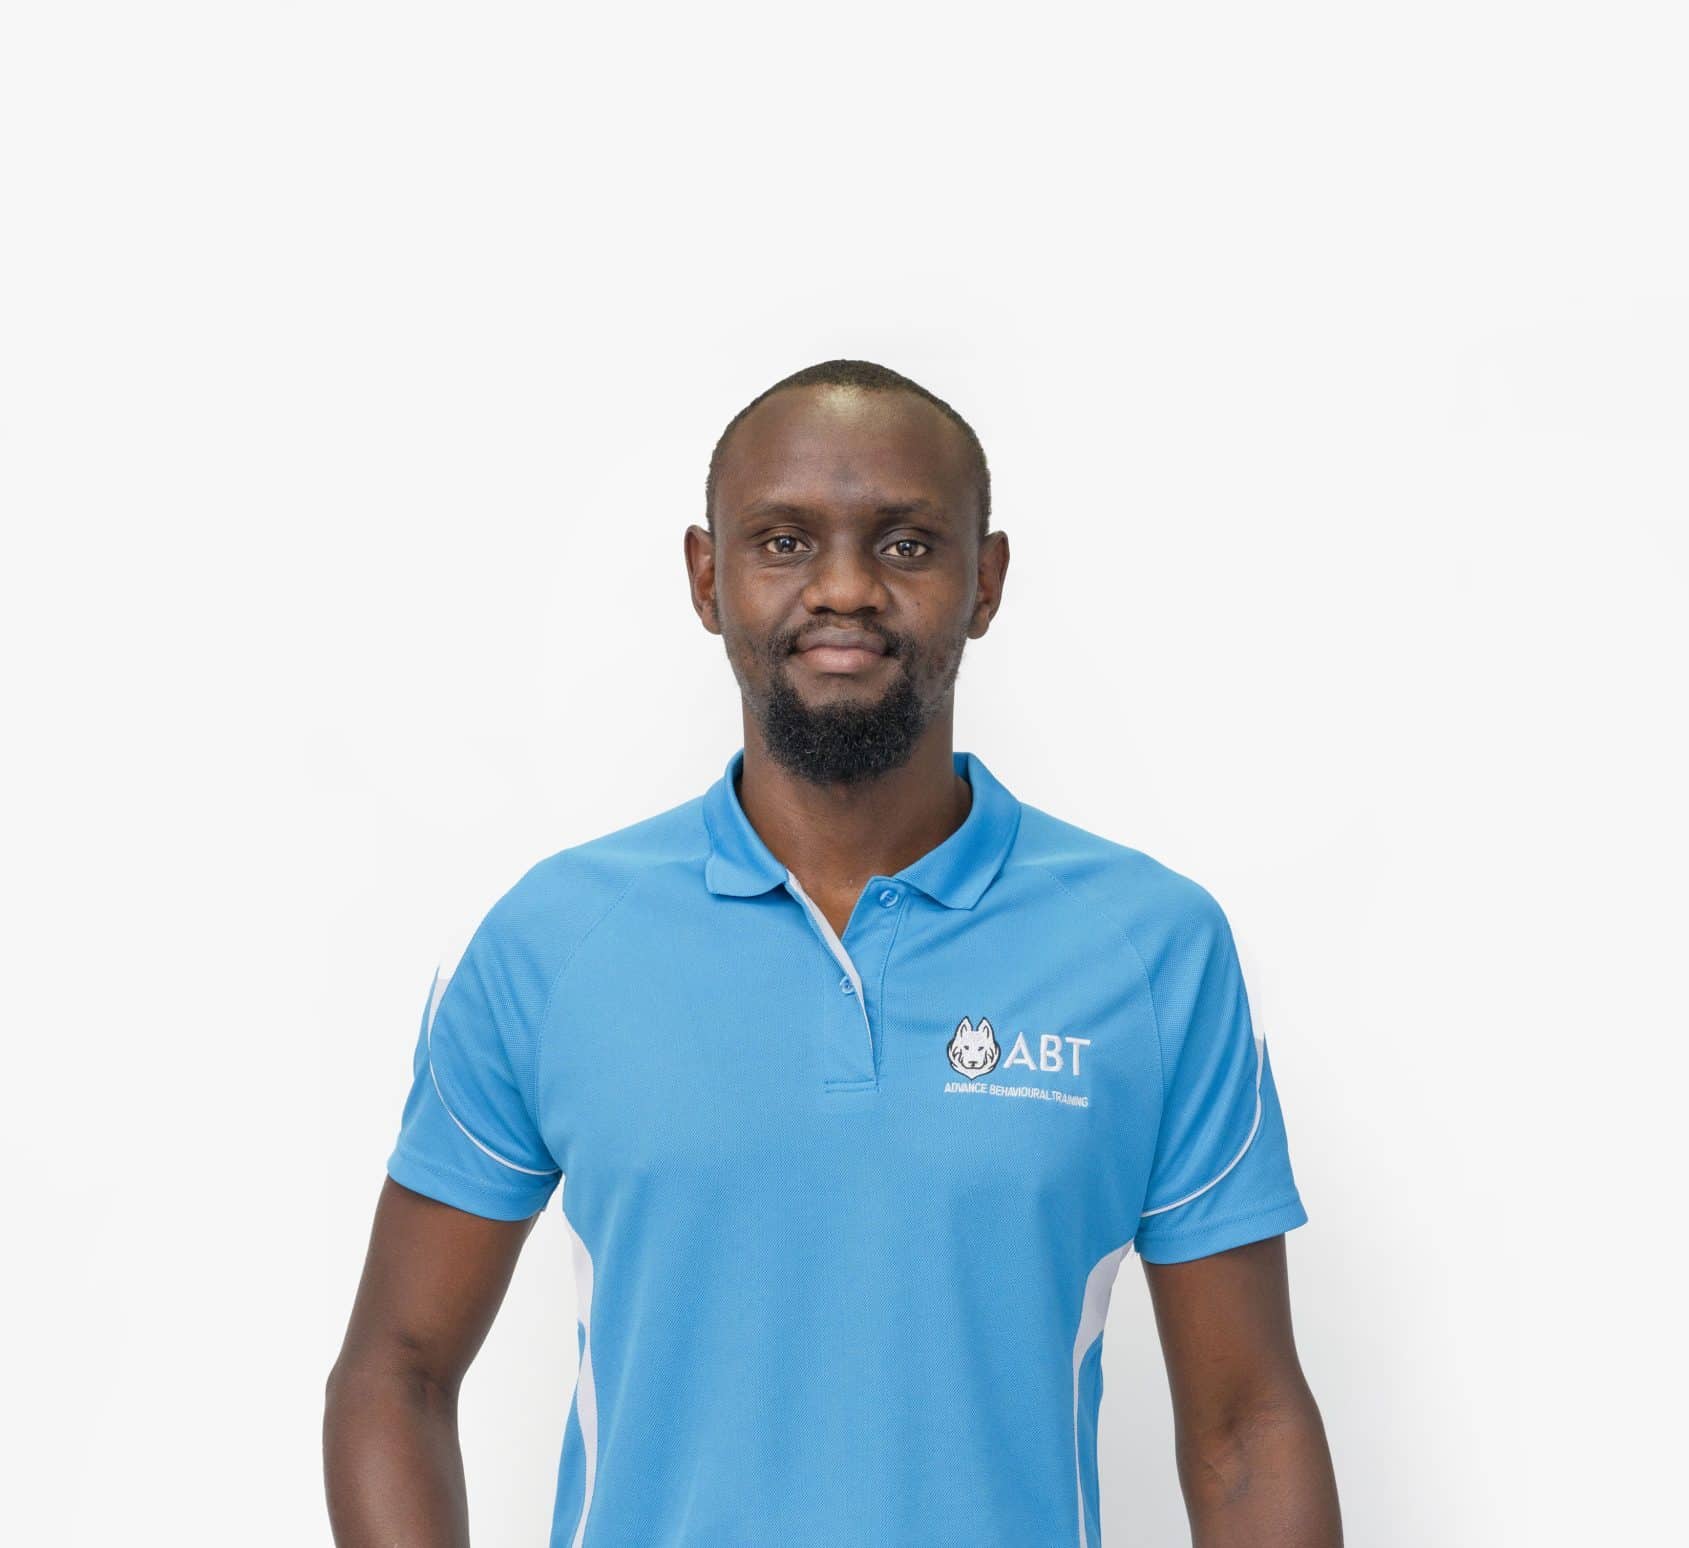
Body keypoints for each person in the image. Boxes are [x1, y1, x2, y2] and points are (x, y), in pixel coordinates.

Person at [323, 359, 1343, 1547]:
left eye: (907, 544)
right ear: (707, 578)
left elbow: (1245, 1428)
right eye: (784, 541)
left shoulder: (1152, 948)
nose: (846, 587)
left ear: (985, 581)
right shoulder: (552, 941)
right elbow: (394, 1372)